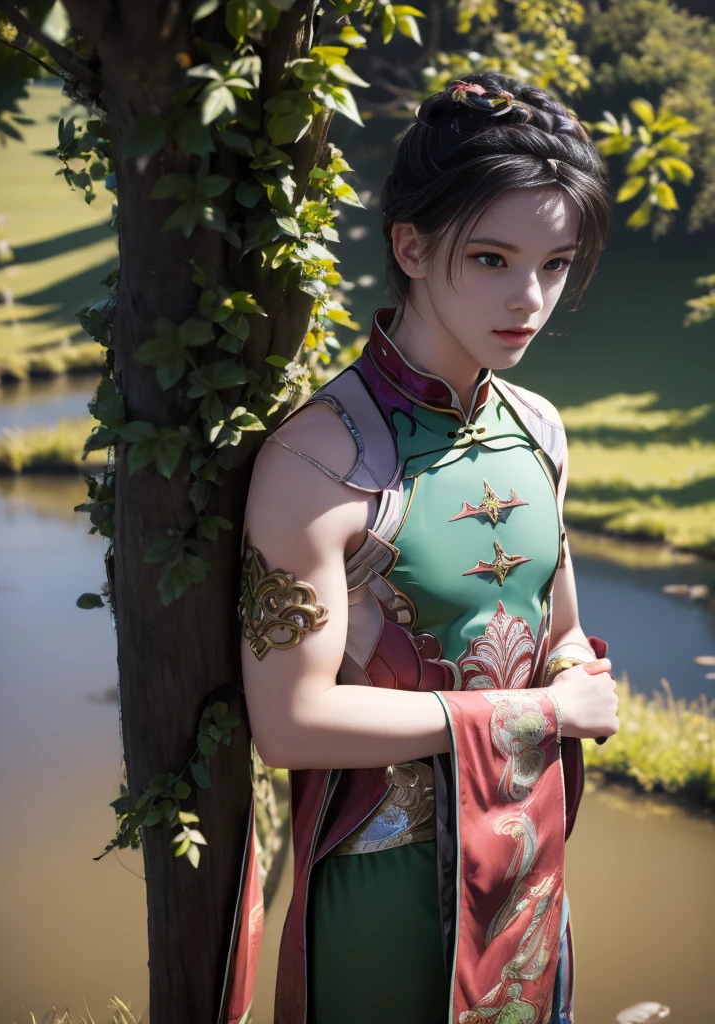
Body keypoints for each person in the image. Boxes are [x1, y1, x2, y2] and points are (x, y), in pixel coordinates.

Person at [222, 71, 621, 1024]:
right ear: (410, 244)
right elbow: (289, 722)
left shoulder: (539, 427)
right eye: (491, 258)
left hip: (528, 873)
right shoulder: (324, 458)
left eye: (556, 264)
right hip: (387, 895)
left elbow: (558, 627)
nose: (530, 297)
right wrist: (538, 714)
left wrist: (574, 675)